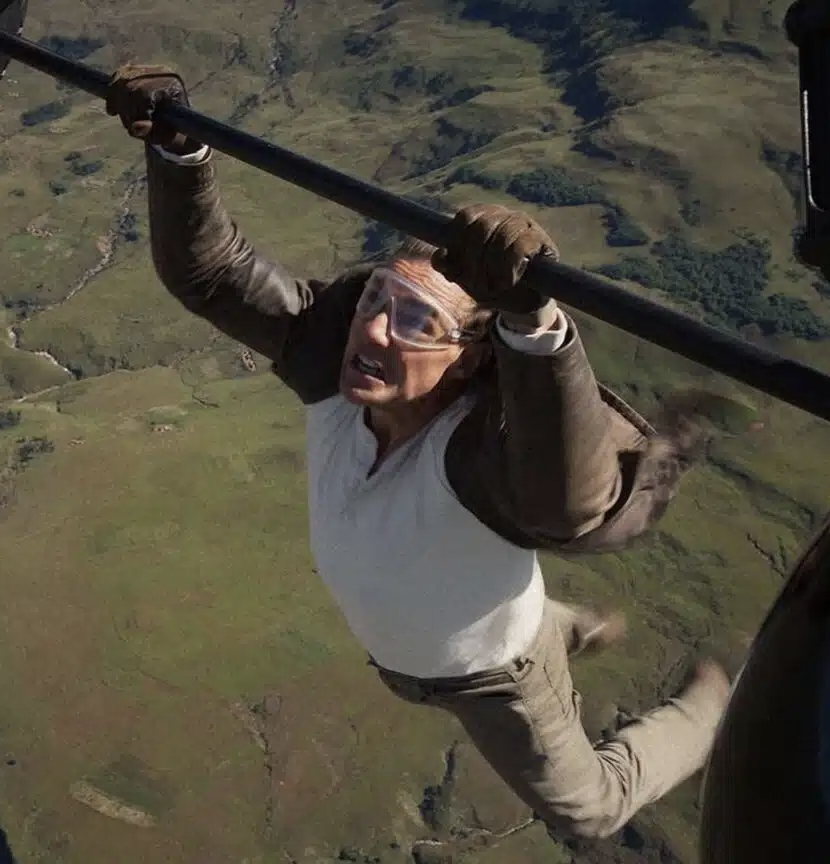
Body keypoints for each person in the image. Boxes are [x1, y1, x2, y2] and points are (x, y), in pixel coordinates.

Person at [105, 63, 732, 841]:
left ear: (468, 362)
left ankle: (711, 711)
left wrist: (533, 326)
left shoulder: (475, 459)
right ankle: (573, 627)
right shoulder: (334, 378)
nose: (373, 330)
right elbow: (213, 275)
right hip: (424, 645)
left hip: (493, 677)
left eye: (414, 322)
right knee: (518, 613)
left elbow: (566, 499)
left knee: (591, 810)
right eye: (376, 298)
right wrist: (177, 148)